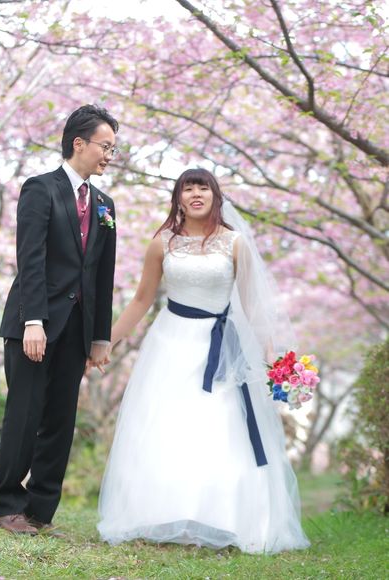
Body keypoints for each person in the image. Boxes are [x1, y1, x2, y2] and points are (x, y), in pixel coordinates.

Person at [97, 168, 310, 553]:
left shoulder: (234, 243)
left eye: (203, 188)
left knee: (219, 426)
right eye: (188, 188)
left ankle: (223, 518)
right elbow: (141, 300)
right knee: (166, 425)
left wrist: (271, 354)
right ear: (178, 198)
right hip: (170, 343)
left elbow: (252, 303)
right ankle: (163, 512)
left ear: (215, 195)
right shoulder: (162, 243)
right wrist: (107, 342)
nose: (196, 194)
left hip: (221, 347)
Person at [0, 104, 119, 535]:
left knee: (61, 420)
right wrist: (34, 321)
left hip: (77, 327)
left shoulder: (104, 205)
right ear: (78, 143)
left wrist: (100, 336)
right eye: (105, 146)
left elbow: (103, 275)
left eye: (114, 149)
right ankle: (7, 506)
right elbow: (30, 259)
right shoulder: (40, 189)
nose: (109, 155)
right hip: (35, 323)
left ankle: (40, 511)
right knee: (24, 414)